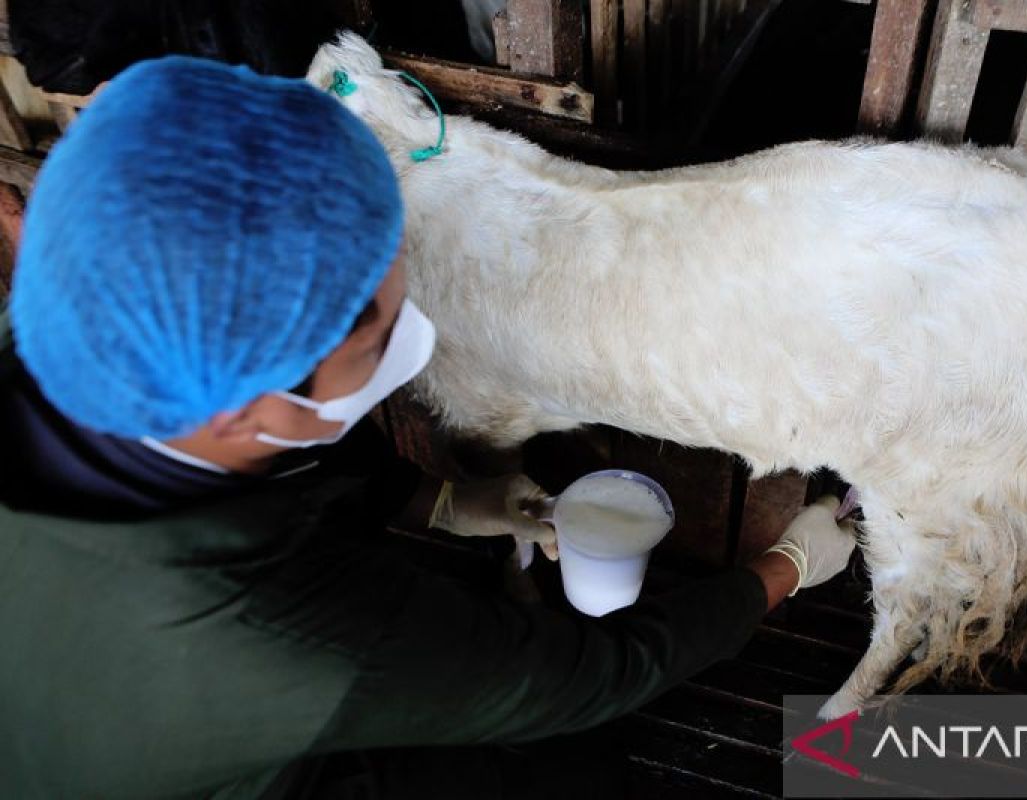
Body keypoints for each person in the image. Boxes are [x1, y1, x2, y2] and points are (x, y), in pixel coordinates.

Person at [0, 57, 858, 799]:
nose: (403, 332)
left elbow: (299, 456)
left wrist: (445, 500)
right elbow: (596, 675)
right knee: (573, 765)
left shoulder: (76, 326)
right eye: (377, 331)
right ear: (253, 411)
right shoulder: (288, 646)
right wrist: (780, 568)